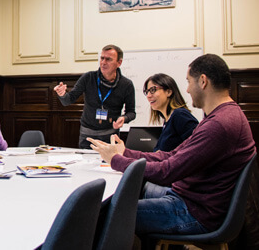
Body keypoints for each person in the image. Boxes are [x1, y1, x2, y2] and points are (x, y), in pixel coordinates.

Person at [88, 54, 256, 244]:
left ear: (202, 81)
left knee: (102, 213)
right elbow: (172, 155)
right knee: (127, 196)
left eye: (188, 82)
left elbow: (168, 171)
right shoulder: (223, 116)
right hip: (193, 198)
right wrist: (125, 153)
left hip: (195, 211)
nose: (187, 89)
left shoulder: (219, 125)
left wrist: (116, 160)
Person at [54, 44, 136, 148]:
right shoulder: (88, 78)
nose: (103, 63)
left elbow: (131, 112)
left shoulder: (126, 85)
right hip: (87, 136)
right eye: (102, 58)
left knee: (109, 164)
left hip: (110, 136)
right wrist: (62, 94)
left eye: (108, 59)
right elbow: (67, 101)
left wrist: (124, 118)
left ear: (119, 63)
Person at [143, 73, 198, 151]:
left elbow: (197, 147)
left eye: (153, 90)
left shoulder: (179, 115)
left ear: (168, 92)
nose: (148, 95)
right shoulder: (168, 120)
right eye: (147, 91)